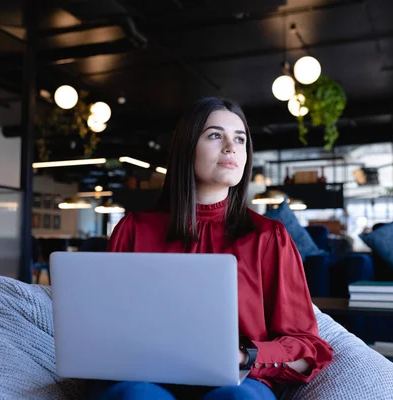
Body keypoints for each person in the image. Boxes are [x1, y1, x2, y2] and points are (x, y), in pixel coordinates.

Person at [94, 97, 334, 399]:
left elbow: (307, 349)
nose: (231, 147)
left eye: (240, 139)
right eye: (215, 135)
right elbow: (106, 329)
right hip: (147, 377)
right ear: (186, 147)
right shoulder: (134, 229)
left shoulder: (268, 236)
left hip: (237, 382)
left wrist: (244, 355)